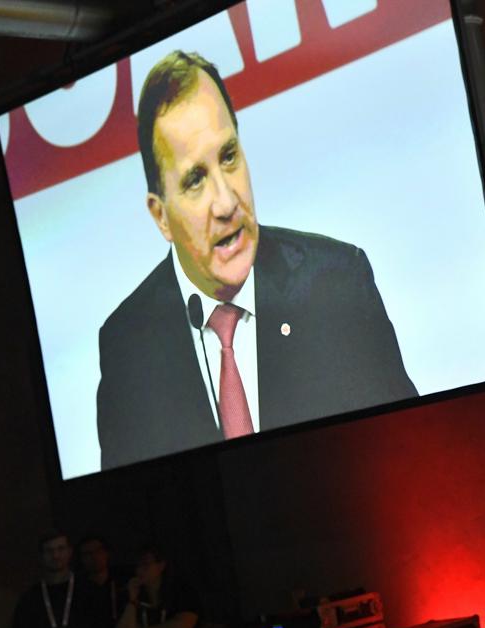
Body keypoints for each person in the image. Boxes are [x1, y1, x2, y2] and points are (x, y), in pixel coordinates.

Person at [96, 50, 417, 469]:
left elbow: (408, 443)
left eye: (229, 156)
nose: (227, 202)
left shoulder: (336, 283)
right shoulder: (128, 346)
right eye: (195, 180)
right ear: (161, 216)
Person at [11, 532, 109, 628]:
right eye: (49, 551)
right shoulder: (29, 599)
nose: (55, 555)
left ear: (70, 552)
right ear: (41, 556)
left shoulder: (90, 591)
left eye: (60, 549)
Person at [113, 545, 199, 628]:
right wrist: (132, 600)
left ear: (161, 565)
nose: (140, 570)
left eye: (145, 564)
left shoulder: (180, 591)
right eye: (138, 565)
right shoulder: (131, 596)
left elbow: (181, 626)